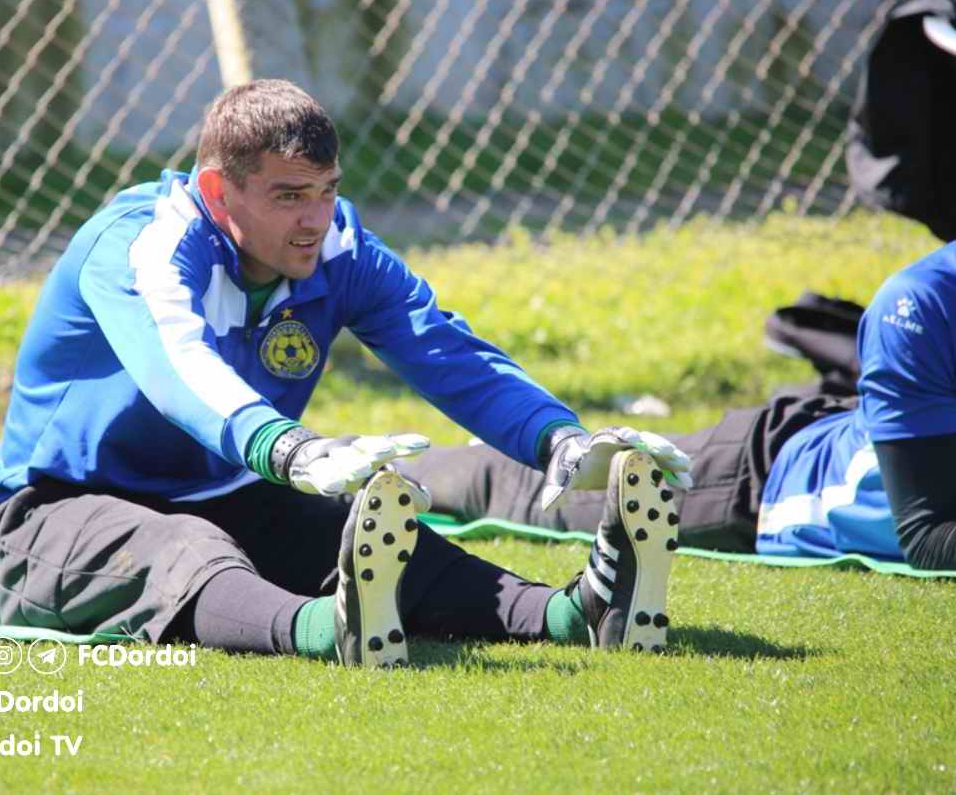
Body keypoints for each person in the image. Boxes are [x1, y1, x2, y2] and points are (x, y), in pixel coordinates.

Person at [0, 79, 692, 667]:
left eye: (326, 189)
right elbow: (180, 369)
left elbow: (445, 352)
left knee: (380, 544)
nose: (316, 217)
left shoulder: (339, 248)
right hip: (47, 516)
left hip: (228, 490)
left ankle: (577, 614)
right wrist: (291, 448)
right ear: (219, 192)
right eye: (289, 195)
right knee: (188, 550)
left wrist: (559, 438)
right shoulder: (142, 244)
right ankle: (328, 629)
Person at [406, 241, 956, 571]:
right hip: (763, 482)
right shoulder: (920, 301)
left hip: (823, 431)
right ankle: (383, 469)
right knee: (532, 486)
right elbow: (925, 536)